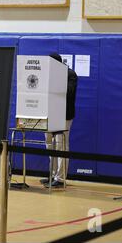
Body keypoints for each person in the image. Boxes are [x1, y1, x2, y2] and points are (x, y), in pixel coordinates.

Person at [41, 53, 78, 188]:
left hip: (64, 116)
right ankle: (52, 175)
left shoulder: (70, 74)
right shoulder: (47, 75)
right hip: (49, 114)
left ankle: (61, 178)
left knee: (61, 145)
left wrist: (54, 82)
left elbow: (69, 91)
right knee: (50, 145)